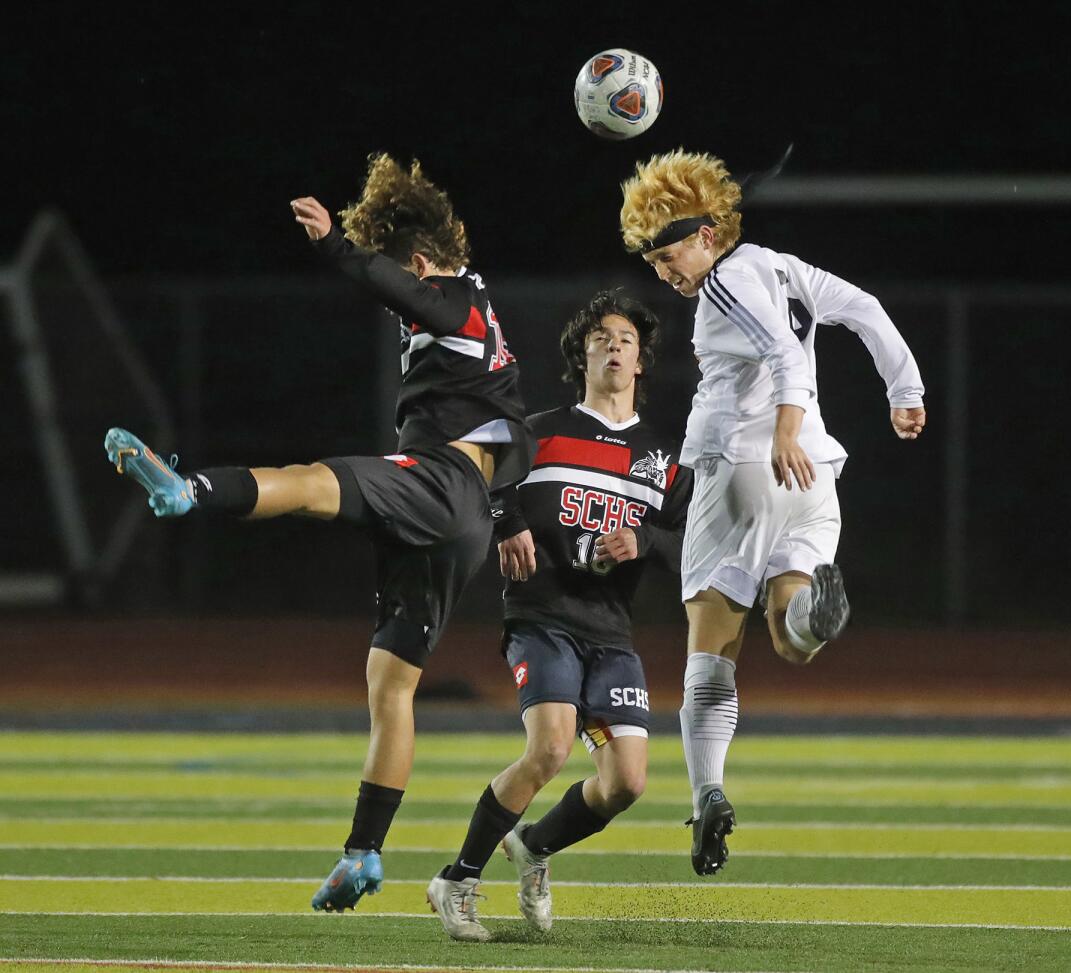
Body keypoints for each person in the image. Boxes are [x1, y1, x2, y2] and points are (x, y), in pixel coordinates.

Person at [103, 152, 531, 912]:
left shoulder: (458, 296)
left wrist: (338, 245)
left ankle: (186, 487)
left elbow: (404, 290)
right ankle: (364, 853)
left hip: (439, 484)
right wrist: (507, 514)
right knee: (392, 683)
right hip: (462, 511)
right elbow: (515, 435)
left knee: (311, 483)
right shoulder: (485, 333)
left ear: (425, 262)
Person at [618, 149, 927, 875]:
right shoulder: (781, 265)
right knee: (792, 642)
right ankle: (813, 612)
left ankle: (707, 795)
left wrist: (783, 428)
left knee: (711, 650)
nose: (664, 273)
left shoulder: (724, 284)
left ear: (707, 234)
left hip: (746, 469)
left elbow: (787, 359)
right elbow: (865, 310)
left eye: (668, 256)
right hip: (816, 477)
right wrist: (904, 390)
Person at [425, 290, 692, 941]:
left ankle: (535, 845)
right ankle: (457, 879)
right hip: (540, 616)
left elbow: (698, 547)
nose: (613, 345)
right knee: (549, 744)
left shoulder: (661, 458)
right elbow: (469, 464)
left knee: (627, 780)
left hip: (610, 630)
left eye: (625, 338)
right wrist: (508, 519)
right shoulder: (539, 430)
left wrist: (648, 542)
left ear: (641, 360)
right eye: (600, 336)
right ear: (583, 354)